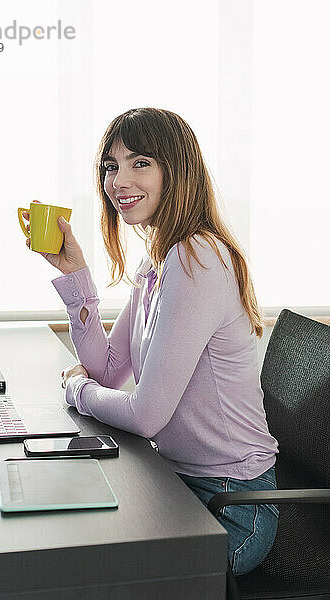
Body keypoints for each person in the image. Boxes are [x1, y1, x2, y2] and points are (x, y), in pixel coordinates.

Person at [22, 107, 279, 576]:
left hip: (232, 505)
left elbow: (143, 414)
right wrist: (76, 276)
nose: (119, 180)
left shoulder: (195, 255)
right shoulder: (160, 257)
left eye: (140, 162)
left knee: (97, 574)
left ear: (176, 170)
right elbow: (108, 367)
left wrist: (77, 390)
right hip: (175, 481)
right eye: (111, 166)